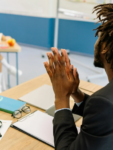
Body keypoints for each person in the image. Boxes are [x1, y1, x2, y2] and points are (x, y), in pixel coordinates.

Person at [44, 4, 113, 150]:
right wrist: (77, 94)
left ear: (105, 45)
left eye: (99, 36)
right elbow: (106, 117)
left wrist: (61, 98)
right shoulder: (105, 103)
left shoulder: (104, 102)